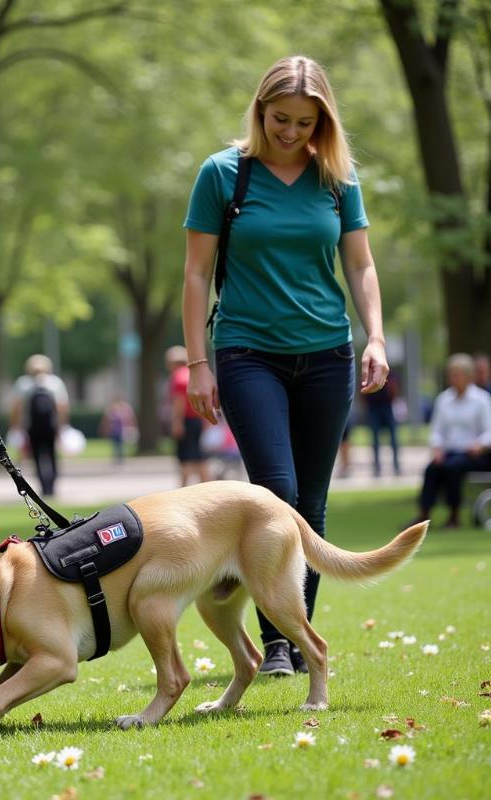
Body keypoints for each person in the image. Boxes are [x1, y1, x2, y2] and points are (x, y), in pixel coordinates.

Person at [181, 55, 389, 677]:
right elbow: (194, 274)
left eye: (304, 122)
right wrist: (198, 362)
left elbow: (360, 265)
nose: (291, 132)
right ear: (260, 111)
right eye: (279, 119)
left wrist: (376, 336)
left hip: (328, 352)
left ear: (322, 120)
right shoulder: (224, 175)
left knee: (313, 503)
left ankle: (297, 636)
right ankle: (276, 643)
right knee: (277, 490)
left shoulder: (337, 178)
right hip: (248, 353)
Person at [411, 353, 491, 528]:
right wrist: (437, 448)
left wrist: (479, 445)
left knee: (452, 468)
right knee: (432, 469)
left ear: (468, 376)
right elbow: (436, 431)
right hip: (449, 452)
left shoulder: (482, 400)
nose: (453, 378)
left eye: (457, 374)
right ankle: (424, 515)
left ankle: (454, 515)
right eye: (451, 374)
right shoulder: (444, 399)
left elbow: (488, 432)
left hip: (474, 454)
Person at [10, 354, 69, 497]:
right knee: (52, 456)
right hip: (51, 426)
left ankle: (43, 487)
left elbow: (16, 407)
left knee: (36, 457)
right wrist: (62, 426)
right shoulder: (55, 383)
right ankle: (52, 487)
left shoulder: (23, 384)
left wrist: (16, 426)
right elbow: (62, 407)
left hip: (32, 427)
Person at [165, 346, 211, 486]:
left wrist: (176, 422)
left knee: (185, 458)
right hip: (199, 419)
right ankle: (208, 487)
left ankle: (182, 489)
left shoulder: (177, 376)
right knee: (200, 457)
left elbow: (179, 402)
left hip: (186, 421)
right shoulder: (193, 375)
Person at [363, 369, 401, 477]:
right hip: (373, 407)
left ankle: (396, 465)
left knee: (393, 438)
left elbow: (395, 388)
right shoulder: (368, 372)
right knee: (375, 440)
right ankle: (377, 466)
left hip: (387, 406)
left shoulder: (388, 370)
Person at [99, 395, 138, 464]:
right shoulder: (111, 408)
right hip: (114, 431)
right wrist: (105, 428)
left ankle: (121, 458)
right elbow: (106, 420)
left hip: (123, 431)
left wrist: (133, 427)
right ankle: (117, 458)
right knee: (115, 445)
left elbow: (131, 419)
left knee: (121, 445)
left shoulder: (126, 407)